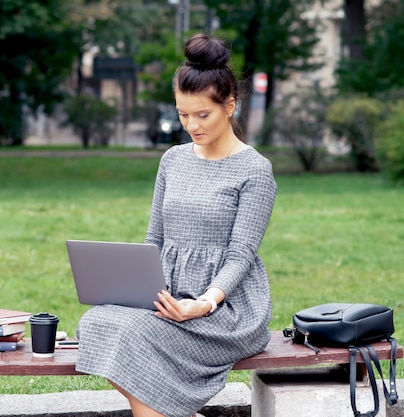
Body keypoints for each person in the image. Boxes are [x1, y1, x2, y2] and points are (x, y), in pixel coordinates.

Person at [75, 33, 277, 417]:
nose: (191, 125)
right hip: (167, 294)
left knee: (133, 334)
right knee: (97, 322)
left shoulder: (255, 170)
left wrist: (202, 304)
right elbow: (154, 238)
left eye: (203, 114)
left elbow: (241, 255)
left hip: (226, 307)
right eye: (183, 114)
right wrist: (139, 289)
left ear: (230, 105)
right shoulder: (172, 159)